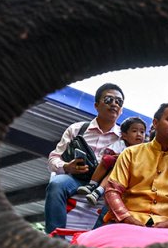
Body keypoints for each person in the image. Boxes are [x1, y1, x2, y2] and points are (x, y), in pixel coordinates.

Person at [102, 102, 168, 229]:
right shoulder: (130, 153)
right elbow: (112, 191)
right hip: (126, 223)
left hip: (167, 228)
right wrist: (128, 219)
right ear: (155, 123)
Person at [44, 83, 126, 234]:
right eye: (109, 99)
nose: (114, 104)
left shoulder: (126, 137)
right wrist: (67, 166)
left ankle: (94, 241)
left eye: (119, 102)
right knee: (56, 184)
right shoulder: (77, 129)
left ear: (121, 111)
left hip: (106, 186)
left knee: (118, 199)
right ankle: (54, 237)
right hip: (76, 179)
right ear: (96, 105)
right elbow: (53, 159)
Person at [75, 116, 147, 204]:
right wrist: (118, 157)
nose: (139, 134)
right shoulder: (121, 144)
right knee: (107, 159)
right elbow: (109, 154)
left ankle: (98, 191)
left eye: (142, 132)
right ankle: (91, 184)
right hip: (108, 168)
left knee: (117, 168)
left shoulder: (142, 151)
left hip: (122, 176)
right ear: (124, 135)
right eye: (134, 131)